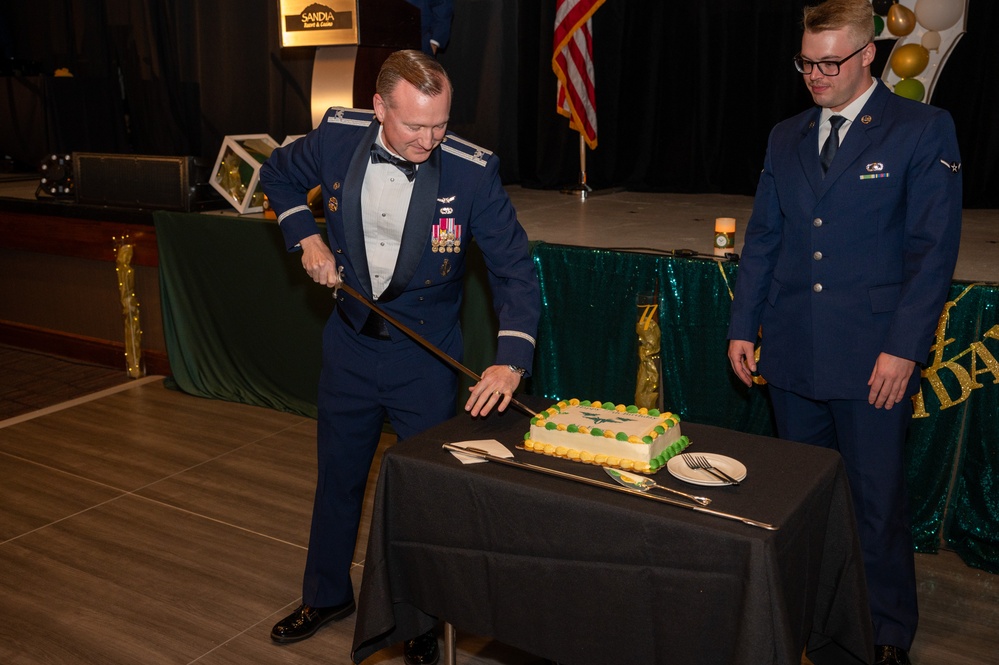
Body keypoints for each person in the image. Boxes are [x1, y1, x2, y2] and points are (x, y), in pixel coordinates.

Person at [260, 49, 540, 665]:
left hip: (425, 358)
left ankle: (419, 623)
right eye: (414, 126)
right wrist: (303, 234)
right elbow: (277, 175)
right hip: (350, 345)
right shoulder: (337, 136)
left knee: (424, 495)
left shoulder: (471, 172)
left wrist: (510, 360)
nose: (429, 139)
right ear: (380, 107)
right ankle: (326, 594)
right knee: (338, 477)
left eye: (440, 124)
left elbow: (515, 269)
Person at [726, 1, 961, 664]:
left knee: (874, 503)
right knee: (803, 502)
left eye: (830, 62)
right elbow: (765, 238)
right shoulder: (785, 135)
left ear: (868, 56)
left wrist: (903, 347)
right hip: (794, 350)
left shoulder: (920, 129)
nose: (815, 75)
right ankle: (811, 617)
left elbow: (931, 250)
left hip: (873, 357)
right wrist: (744, 324)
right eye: (806, 62)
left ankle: (885, 630)